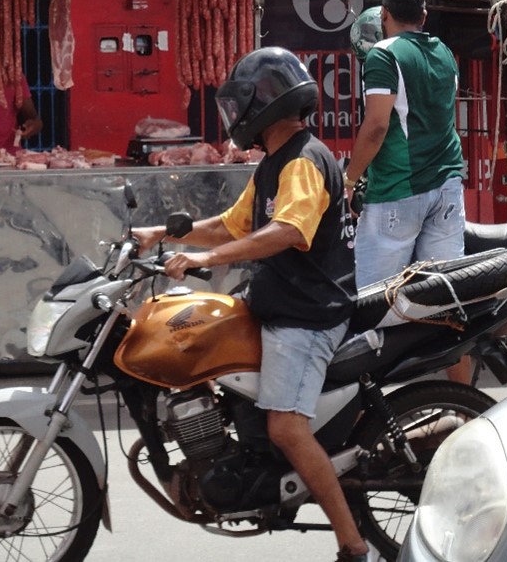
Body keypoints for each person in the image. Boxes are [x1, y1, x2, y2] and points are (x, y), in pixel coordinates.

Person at [133, 47, 369, 562]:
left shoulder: (303, 162)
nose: (233, 118)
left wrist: (206, 259)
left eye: (237, 106)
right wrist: (160, 235)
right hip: (278, 302)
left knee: (286, 427)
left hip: (307, 315)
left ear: (261, 105)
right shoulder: (275, 164)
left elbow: (288, 231)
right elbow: (230, 225)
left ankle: (354, 545)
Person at [343, 0, 468, 381]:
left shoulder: (383, 54)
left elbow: (377, 126)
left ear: (384, 15)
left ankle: (372, 406)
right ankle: (462, 399)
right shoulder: (445, 52)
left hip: (398, 191)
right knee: (447, 300)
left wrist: (349, 180)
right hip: (447, 187)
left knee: (374, 306)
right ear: (424, 16)